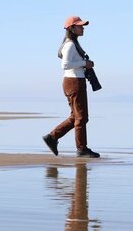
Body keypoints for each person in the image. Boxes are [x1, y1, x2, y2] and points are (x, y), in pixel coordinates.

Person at [42, 16, 100, 158]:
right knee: (81, 117)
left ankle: (52, 137)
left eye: (82, 25)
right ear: (71, 28)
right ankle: (81, 149)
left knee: (76, 116)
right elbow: (65, 65)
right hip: (74, 82)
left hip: (74, 81)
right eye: (80, 26)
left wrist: (84, 63)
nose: (83, 28)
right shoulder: (70, 45)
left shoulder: (73, 44)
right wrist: (84, 64)